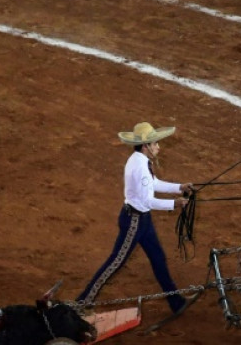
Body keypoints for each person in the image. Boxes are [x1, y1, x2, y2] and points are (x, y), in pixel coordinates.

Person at [78, 122, 196, 316]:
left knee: (158, 258)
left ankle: (176, 302)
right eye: (155, 143)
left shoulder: (140, 160)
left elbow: (153, 184)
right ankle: (82, 302)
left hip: (142, 220)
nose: (158, 146)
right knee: (115, 262)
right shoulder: (140, 166)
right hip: (134, 221)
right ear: (145, 146)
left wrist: (179, 187)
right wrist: (174, 204)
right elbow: (147, 200)